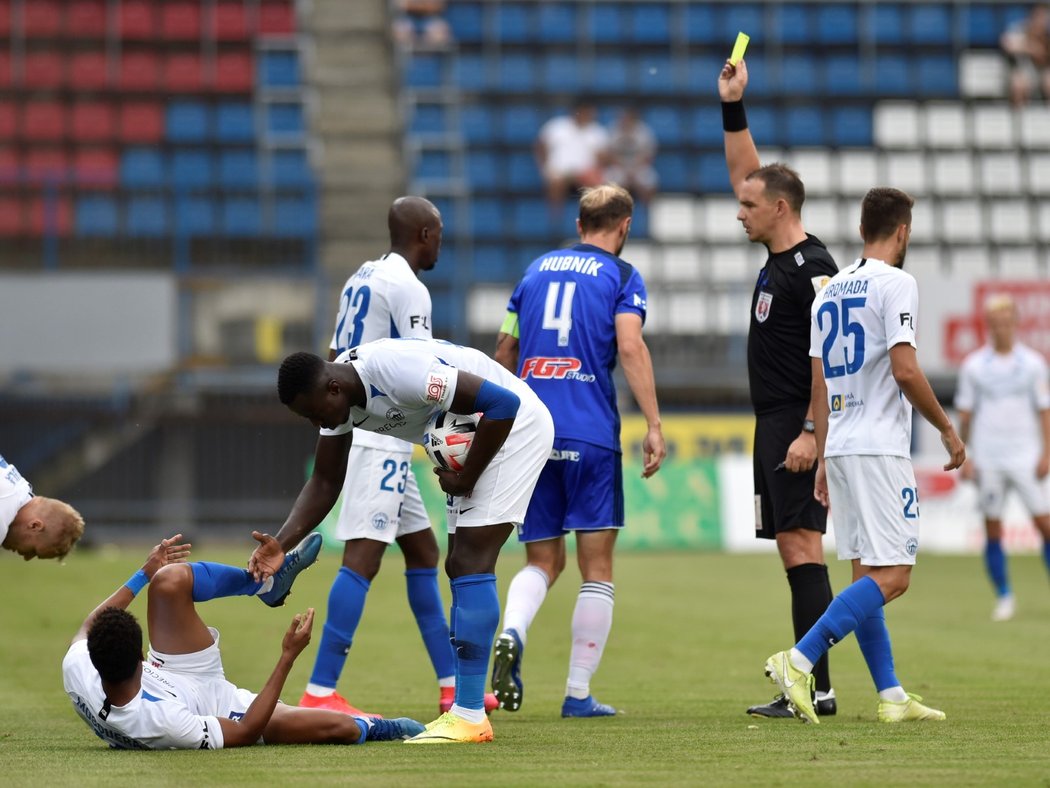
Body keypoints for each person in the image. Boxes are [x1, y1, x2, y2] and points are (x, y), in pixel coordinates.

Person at [252, 338, 555, 743]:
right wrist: (282, 543)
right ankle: (465, 709)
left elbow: (503, 404)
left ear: (333, 388)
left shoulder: (398, 371)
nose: (317, 424)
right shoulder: (339, 395)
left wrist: (467, 477)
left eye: (314, 413)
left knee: (470, 561)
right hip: (471, 438)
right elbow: (325, 481)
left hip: (513, 430)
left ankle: (468, 715)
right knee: (457, 565)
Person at [764, 187, 966, 724]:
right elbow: (904, 369)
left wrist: (825, 456)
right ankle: (799, 658)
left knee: (866, 578)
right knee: (894, 576)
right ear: (902, 232)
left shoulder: (829, 291)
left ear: (861, 229)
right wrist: (946, 429)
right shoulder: (898, 282)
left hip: (845, 445)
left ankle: (892, 696)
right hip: (878, 446)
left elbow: (820, 381)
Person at [299, 196, 495, 717]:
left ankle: (452, 684)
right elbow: (425, 367)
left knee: (423, 554)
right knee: (363, 556)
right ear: (425, 234)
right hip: (376, 429)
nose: (441, 243)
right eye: (440, 233)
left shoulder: (360, 275)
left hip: (370, 422)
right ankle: (320, 692)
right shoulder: (410, 287)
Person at [489, 184, 666, 718]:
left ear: (578, 221)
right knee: (597, 568)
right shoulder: (623, 276)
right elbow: (630, 345)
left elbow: (504, 349)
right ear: (624, 225)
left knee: (542, 558)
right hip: (589, 430)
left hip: (531, 432)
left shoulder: (533, 271)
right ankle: (577, 693)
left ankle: (512, 630)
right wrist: (654, 423)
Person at [719, 58, 840, 718]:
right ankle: (813, 683)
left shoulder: (813, 266)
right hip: (779, 418)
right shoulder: (780, 258)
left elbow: (828, 357)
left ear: (780, 209)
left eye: (748, 204)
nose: (739, 210)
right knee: (797, 552)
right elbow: (748, 172)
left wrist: (812, 431)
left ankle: (816, 687)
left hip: (797, 418)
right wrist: (733, 108)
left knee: (803, 548)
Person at [63, 532, 425, 749]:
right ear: (141, 657)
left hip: (172, 668)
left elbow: (90, 625)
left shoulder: (78, 668)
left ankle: (266, 584)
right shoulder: (164, 722)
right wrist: (287, 657)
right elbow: (245, 731)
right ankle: (381, 727)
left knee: (168, 580)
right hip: (212, 705)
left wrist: (146, 572)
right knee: (335, 728)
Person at [955, 293, 1050, 621]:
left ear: (1015, 322)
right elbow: (965, 415)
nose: (1001, 329)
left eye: (1006, 322)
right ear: (988, 326)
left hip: (1026, 455)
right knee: (993, 527)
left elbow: (1044, 411)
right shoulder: (974, 366)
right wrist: (964, 455)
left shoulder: (1034, 364)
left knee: (1045, 524)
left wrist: (1046, 452)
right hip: (989, 457)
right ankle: (1004, 596)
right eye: (995, 323)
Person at [1, 452, 84, 561]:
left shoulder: (14, 485)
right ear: (35, 526)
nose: (27, 558)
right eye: (33, 551)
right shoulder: (2, 513)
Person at [536, 99, 610, 219]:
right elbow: (540, 147)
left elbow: (603, 158)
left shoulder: (597, 131)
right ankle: (555, 221)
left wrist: (596, 167)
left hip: (585, 172)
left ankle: (594, 219)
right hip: (559, 170)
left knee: (599, 187)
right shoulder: (557, 126)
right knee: (556, 183)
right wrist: (544, 167)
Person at [604, 107, 659, 204]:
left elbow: (648, 155)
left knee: (649, 181)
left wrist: (633, 170)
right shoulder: (612, 129)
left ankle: (647, 210)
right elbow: (609, 154)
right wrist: (624, 170)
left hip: (639, 167)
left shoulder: (644, 131)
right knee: (609, 182)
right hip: (618, 167)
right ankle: (616, 211)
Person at [1000, 4, 1050, 106]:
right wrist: (1031, 48)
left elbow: (1043, 55)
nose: (1041, 21)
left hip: (1043, 72)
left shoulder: (1047, 34)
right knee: (1018, 82)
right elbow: (1007, 43)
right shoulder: (1019, 28)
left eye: (1044, 18)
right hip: (1021, 70)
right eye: (1039, 17)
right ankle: (1019, 117)